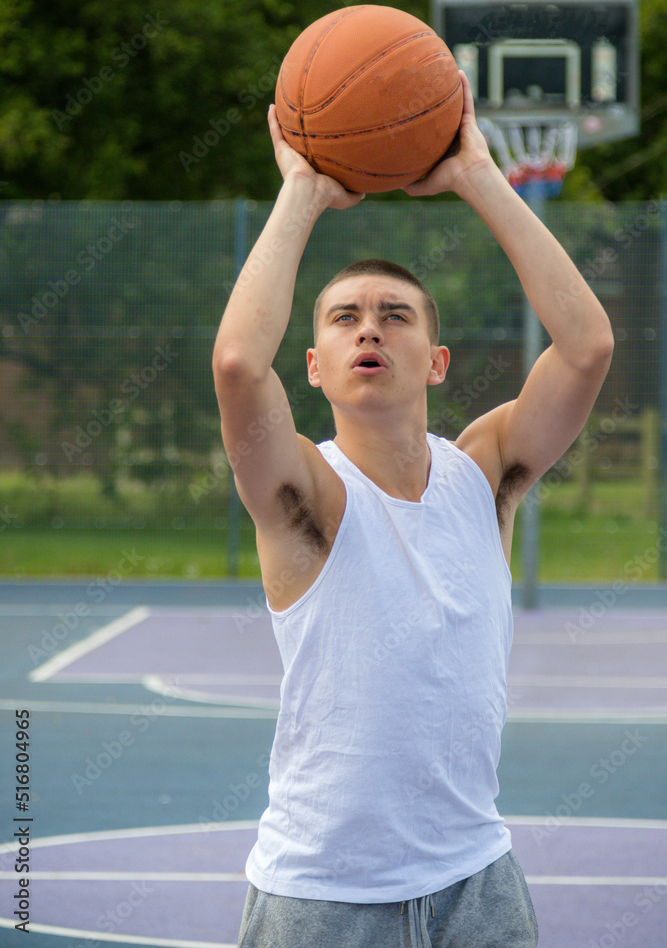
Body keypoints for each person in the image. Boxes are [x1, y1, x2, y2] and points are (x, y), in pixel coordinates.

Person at [213, 72, 613, 948]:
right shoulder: (305, 502)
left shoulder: (484, 473)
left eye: (393, 316)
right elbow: (240, 364)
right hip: (322, 899)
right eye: (343, 319)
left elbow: (586, 349)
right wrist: (302, 192)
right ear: (313, 366)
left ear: (434, 362)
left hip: (478, 882)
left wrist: (475, 173)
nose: (368, 329)